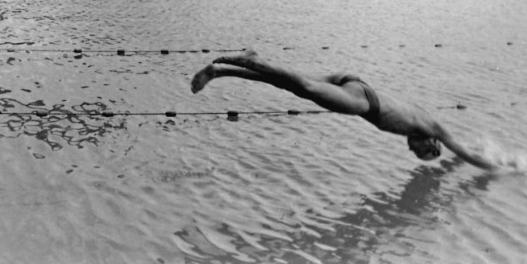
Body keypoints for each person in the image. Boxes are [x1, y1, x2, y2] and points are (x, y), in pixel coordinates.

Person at [190, 50, 501, 170]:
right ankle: (253, 60)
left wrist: (470, 154)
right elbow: (466, 154)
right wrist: (502, 167)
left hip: (354, 82)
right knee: (304, 88)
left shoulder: (427, 123)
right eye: (421, 152)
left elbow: (462, 152)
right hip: (363, 102)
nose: (413, 150)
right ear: (431, 142)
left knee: (291, 86)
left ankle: (221, 72)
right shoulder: (435, 129)